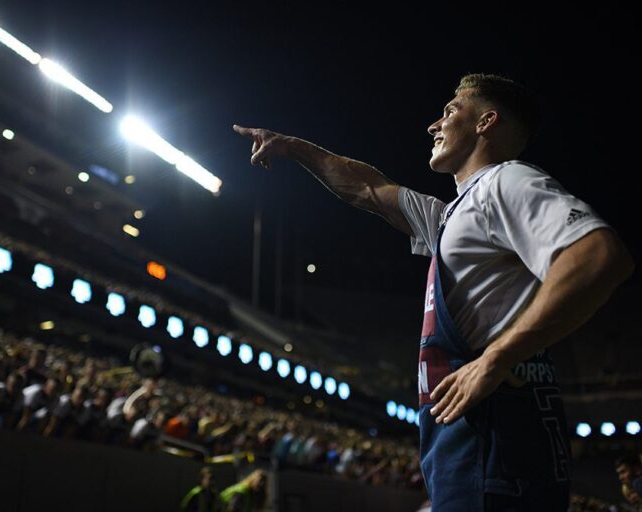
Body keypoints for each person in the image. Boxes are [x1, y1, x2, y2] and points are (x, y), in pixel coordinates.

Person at [234, 73, 635, 511]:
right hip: (481, 450)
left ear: (486, 122)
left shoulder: (505, 182)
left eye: (449, 111)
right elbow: (369, 188)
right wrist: (295, 148)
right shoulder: (453, 215)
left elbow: (599, 256)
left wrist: (498, 356)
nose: (433, 125)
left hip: (495, 448)